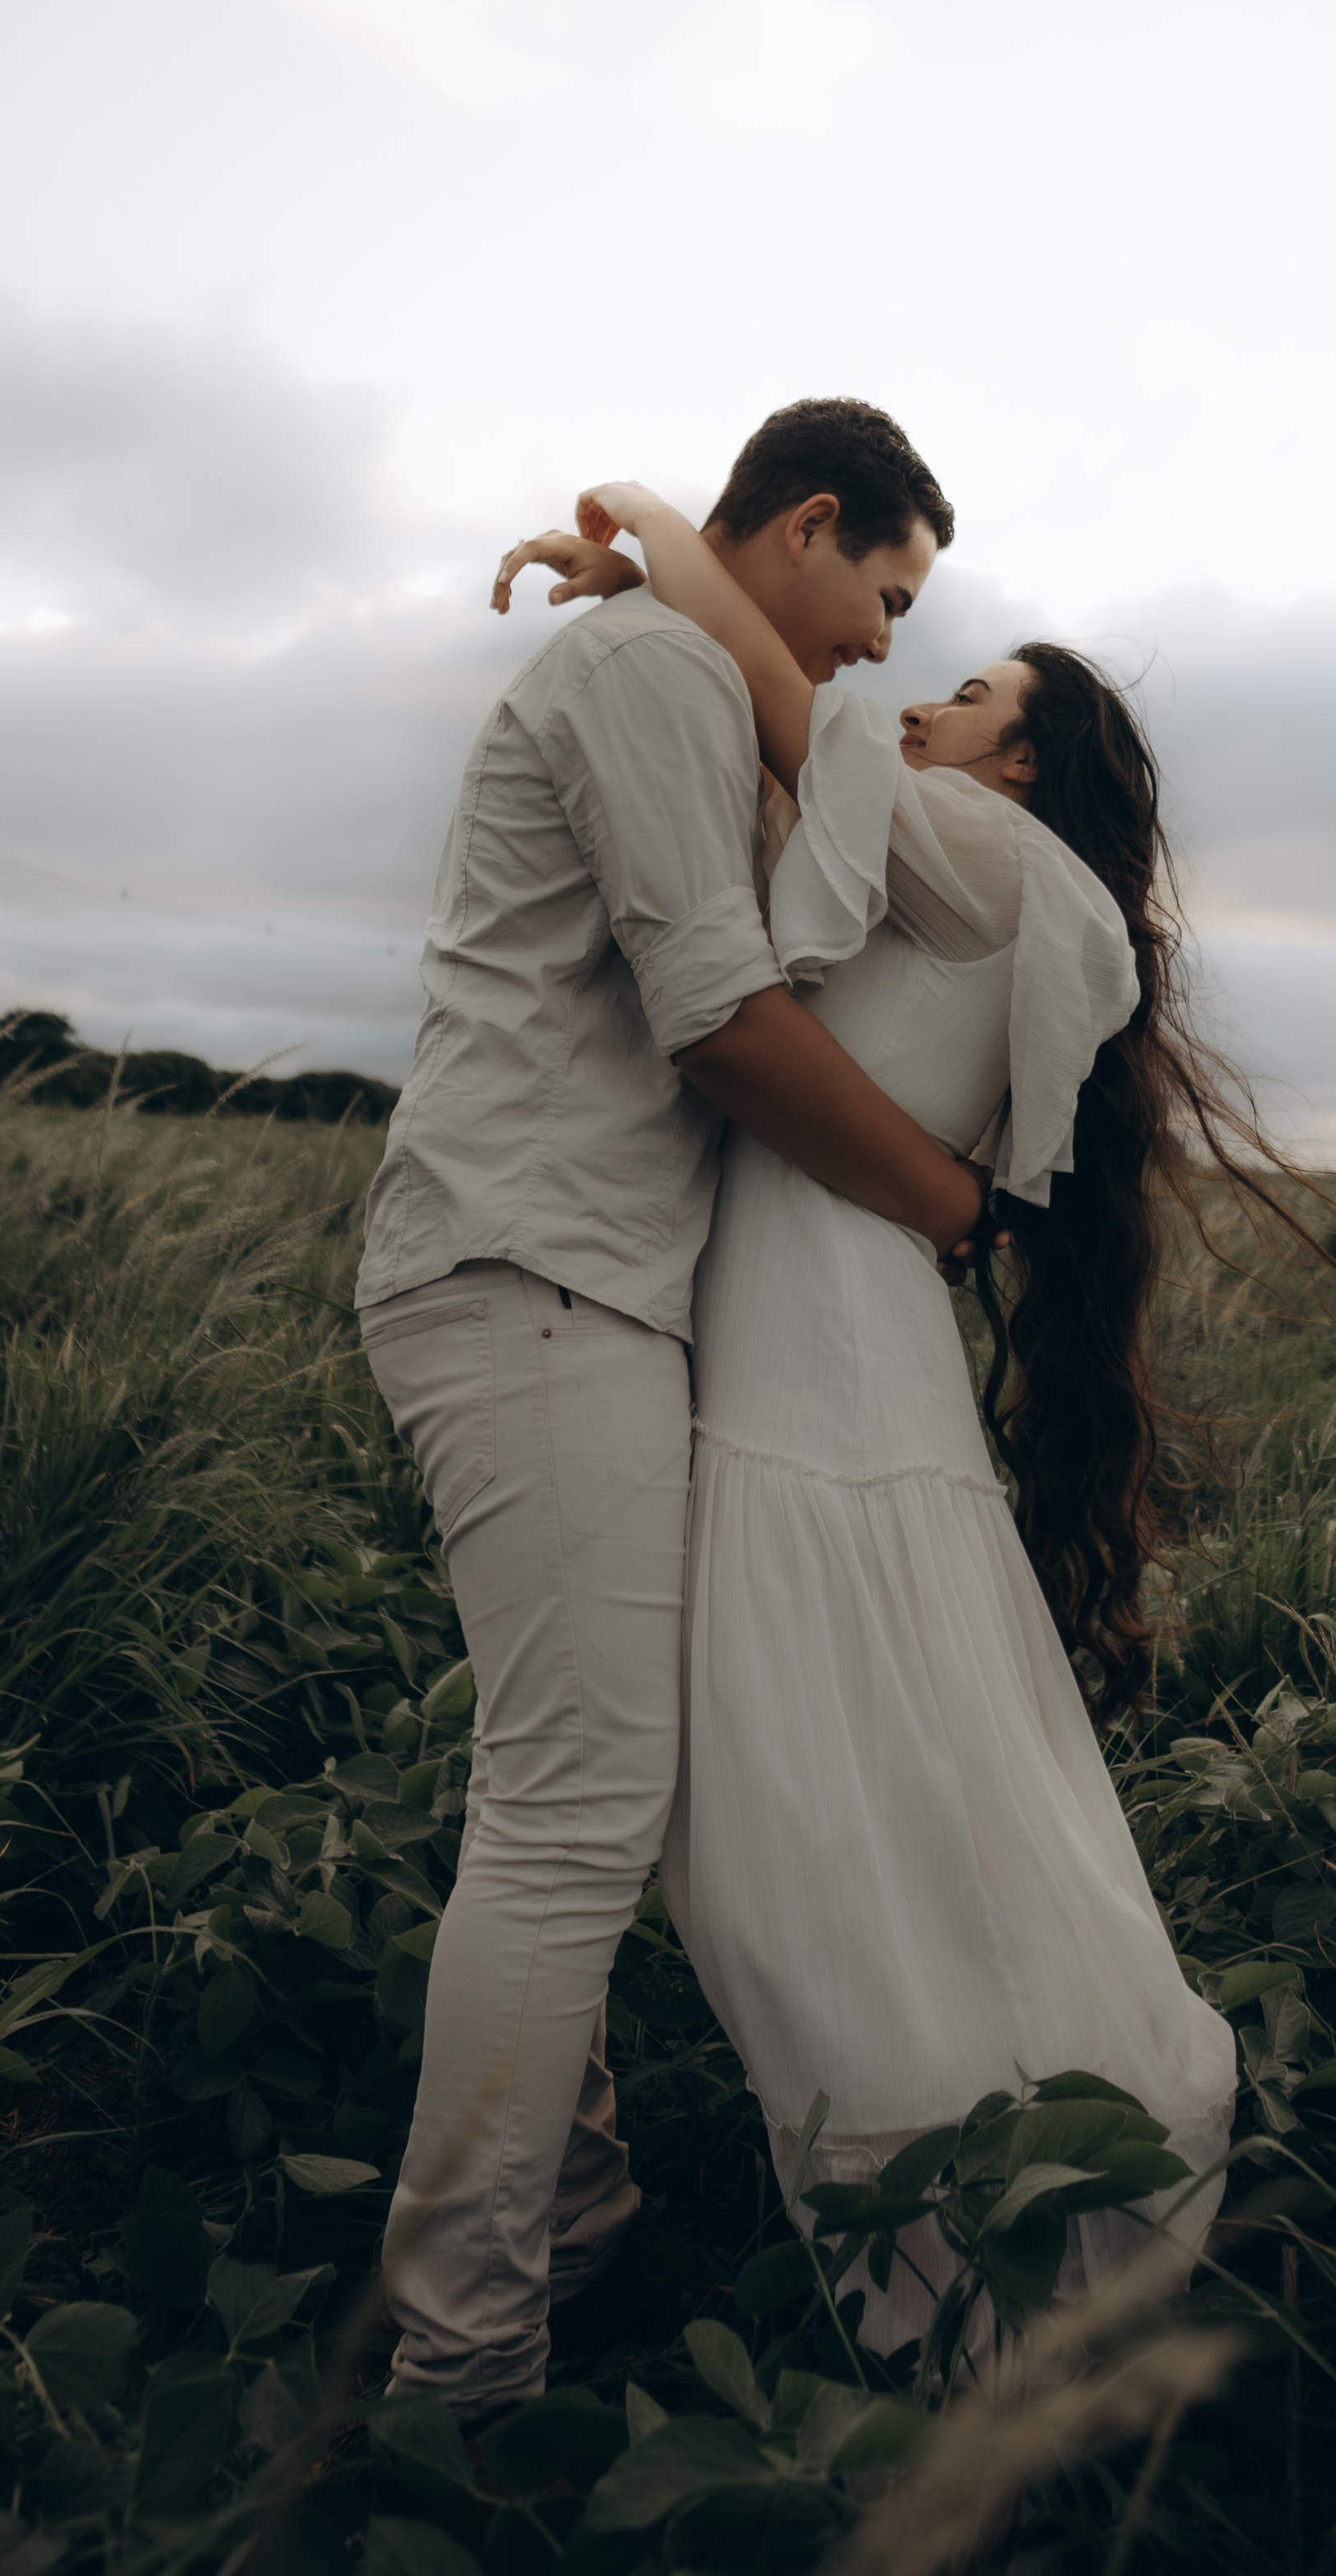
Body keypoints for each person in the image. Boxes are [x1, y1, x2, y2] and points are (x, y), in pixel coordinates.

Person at [499, 478, 1242, 2358]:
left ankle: (966, 2204)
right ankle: (958, 2178)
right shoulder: (929, 857)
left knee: (813, 1809)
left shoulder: (993, 867)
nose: (913, 695)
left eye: (968, 687)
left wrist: (641, 518)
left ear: (1034, 764)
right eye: (916, 652)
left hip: (813, 1349)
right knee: (862, 1783)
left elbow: (762, 654)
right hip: (815, 1337)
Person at [355, 400, 991, 2420]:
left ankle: (577, 2225)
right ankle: (464, 2364)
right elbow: (716, 1012)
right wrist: (944, 1200)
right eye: (886, 592)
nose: (890, 641)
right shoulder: (647, 668)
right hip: (536, 1275)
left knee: (569, 1807)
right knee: (567, 1824)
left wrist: (648, 553)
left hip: (567, 1282)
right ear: (808, 524)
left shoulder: (675, 651)